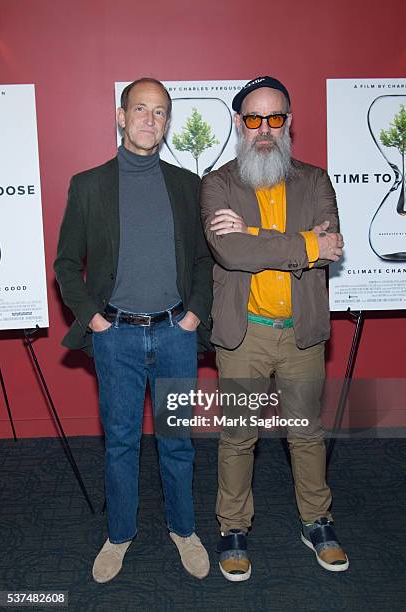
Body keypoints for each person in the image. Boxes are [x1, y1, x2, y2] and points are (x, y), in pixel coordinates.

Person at [54, 78, 213, 583]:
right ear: (121, 117)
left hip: (174, 333)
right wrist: (94, 320)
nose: (150, 118)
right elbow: (63, 264)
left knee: (177, 440)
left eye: (161, 111)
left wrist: (192, 317)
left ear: (167, 123)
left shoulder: (189, 186)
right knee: (121, 442)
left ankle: (183, 530)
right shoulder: (88, 185)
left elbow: (204, 262)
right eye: (140, 109)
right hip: (115, 336)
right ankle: (119, 534)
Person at [200, 75, 348, 582]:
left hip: (301, 332)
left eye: (276, 117)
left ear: (289, 122)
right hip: (246, 336)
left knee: (307, 434)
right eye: (254, 118)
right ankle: (233, 528)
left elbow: (331, 244)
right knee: (239, 436)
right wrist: (302, 244)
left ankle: (317, 521)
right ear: (239, 124)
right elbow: (230, 251)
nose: (265, 129)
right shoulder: (217, 183)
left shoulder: (315, 180)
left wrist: (258, 234)